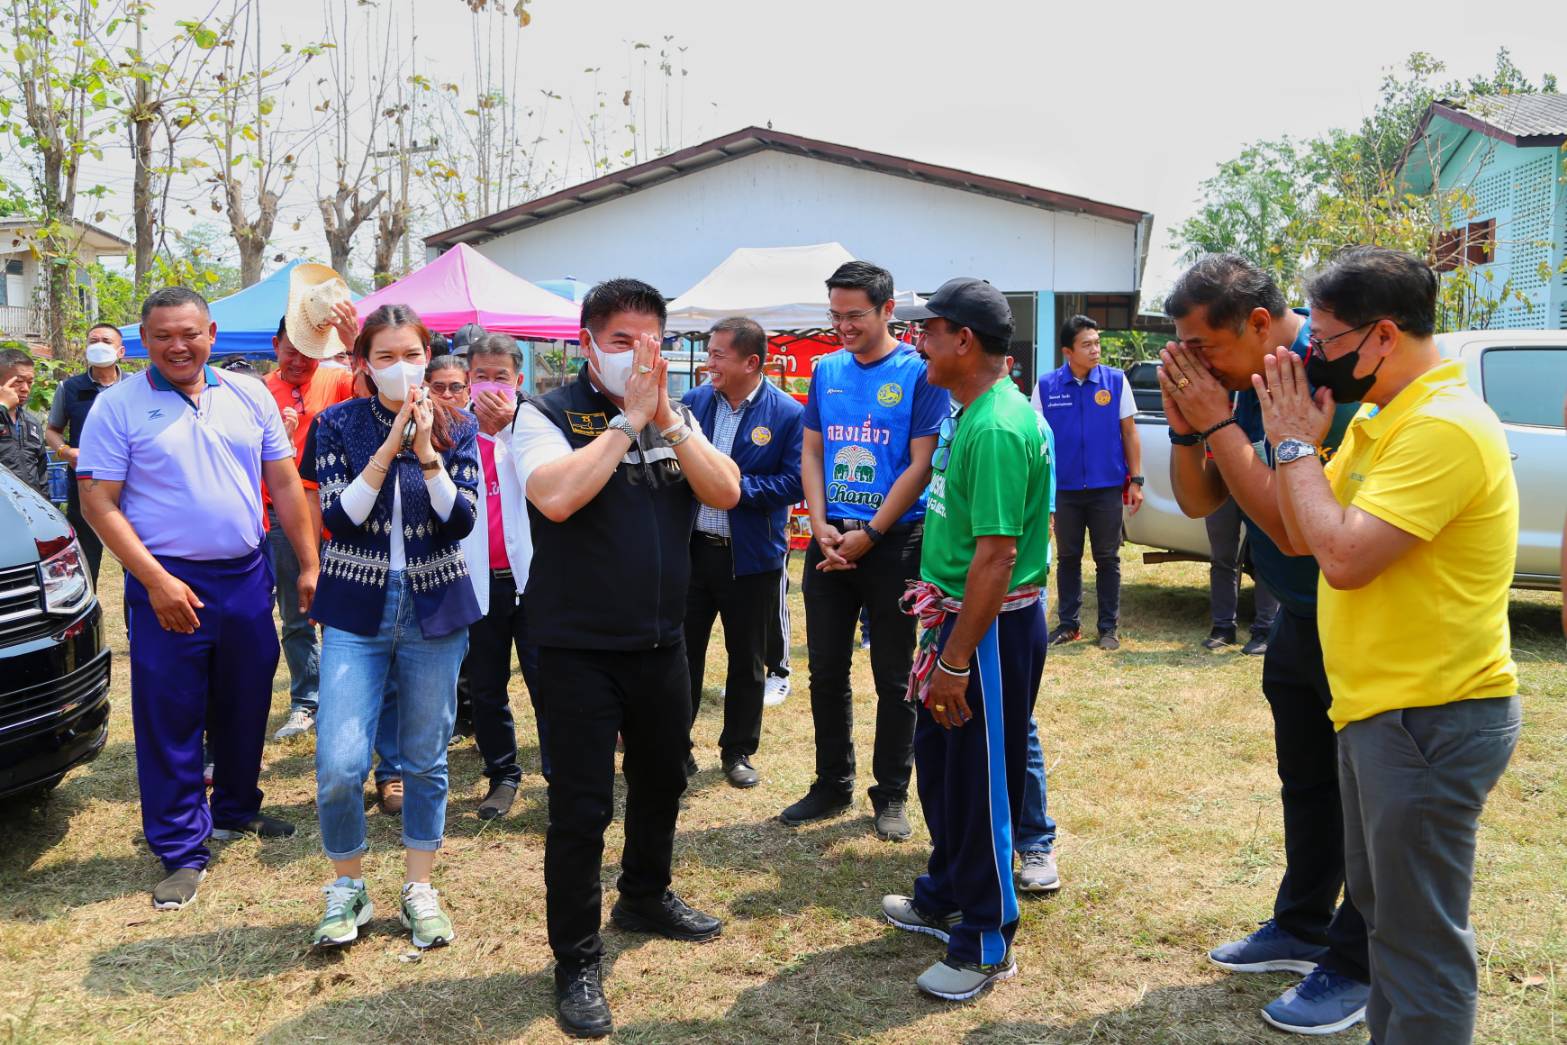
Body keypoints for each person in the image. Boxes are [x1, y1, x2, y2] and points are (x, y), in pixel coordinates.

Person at [1254, 246, 1520, 1045]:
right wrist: (1286, 441)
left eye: (1325, 338)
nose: (1312, 355)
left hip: (1431, 716)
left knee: (1419, 942)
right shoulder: (1380, 418)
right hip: (1380, 709)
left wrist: (1299, 445)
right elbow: (1302, 535)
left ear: (1380, 336)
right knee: (1385, 932)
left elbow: (1343, 557)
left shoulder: (1442, 428)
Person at [511, 278, 739, 1039]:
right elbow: (555, 498)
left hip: (660, 643)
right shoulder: (544, 413)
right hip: (575, 646)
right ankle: (575, 956)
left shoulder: (679, 418)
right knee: (581, 806)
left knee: (664, 777)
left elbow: (727, 490)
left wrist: (666, 419)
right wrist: (626, 420)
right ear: (585, 344)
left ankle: (644, 892)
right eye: (619, 342)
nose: (637, 357)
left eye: (650, 343)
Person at [1161, 254, 1369, 1035]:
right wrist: (1190, 428)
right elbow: (1196, 499)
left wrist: (1216, 419)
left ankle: (1356, 961)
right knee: (1307, 779)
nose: (1194, 363)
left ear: (1255, 322)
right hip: (1293, 611)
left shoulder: (1327, 378)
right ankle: (1303, 919)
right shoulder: (1235, 382)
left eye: (1203, 345)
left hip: (1355, 611)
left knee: (1365, 794)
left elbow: (1289, 523)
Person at [76, 287, 316, 910]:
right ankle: (182, 848)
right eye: (162, 336)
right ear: (143, 340)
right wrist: (155, 581)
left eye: (189, 333)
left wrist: (309, 563)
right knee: (170, 715)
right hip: (166, 580)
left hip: (244, 574)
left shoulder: (250, 393)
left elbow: (285, 483)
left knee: (246, 699)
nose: (177, 346)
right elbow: (97, 502)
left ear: (211, 331)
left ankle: (237, 806)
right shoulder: (117, 406)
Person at [880, 278, 1050, 1000]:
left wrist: (953, 658)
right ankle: (947, 889)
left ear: (964, 341)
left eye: (930, 329)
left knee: (980, 779)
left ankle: (985, 937)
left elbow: (997, 555)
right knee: (941, 764)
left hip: (985, 628)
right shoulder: (965, 409)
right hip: (952, 618)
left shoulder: (999, 425)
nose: (918, 341)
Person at [308, 303, 480, 951]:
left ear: (427, 357)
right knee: (339, 762)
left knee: (425, 757)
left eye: (411, 355)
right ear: (363, 364)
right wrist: (389, 446)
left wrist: (428, 450)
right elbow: (341, 518)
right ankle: (346, 884)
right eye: (385, 357)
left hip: (434, 605)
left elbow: (458, 520)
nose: (401, 368)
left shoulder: (456, 425)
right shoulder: (335, 425)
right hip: (356, 606)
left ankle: (418, 886)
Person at [781, 260, 947, 842]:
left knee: (895, 674)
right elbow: (811, 453)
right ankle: (831, 782)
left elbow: (922, 464)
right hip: (830, 541)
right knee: (825, 669)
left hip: (894, 543)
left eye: (855, 315)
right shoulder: (825, 371)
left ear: (887, 310)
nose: (843, 326)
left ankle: (892, 792)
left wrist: (872, 533)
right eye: (835, 314)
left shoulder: (920, 374)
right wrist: (821, 523)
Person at [681, 316, 804, 788]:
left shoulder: (787, 413)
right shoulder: (692, 404)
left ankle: (737, 751)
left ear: (751, 362)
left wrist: (733, 490)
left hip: (750, 558)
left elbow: (793, 481)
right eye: (709, 352)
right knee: (681, 655)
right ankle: (678, 745)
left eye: (718, 355)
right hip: (692, 553)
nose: (709, 363)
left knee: (747, 659)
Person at [457, 332, 545, 820]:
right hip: (479, 580)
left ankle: (558, 769)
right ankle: (503, 774)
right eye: (482, 377)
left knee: (545, 681)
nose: (491, 387)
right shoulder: (455, 432)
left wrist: (510, 429)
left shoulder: (537, 428)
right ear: (469, 380)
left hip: (532, 581)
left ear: (520, 379)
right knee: (487, 686)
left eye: (502, 378)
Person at [265, 308, 356, 741]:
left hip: (336, 508)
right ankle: (306, 700)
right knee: (297, 610)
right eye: (290, 351)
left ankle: (346, 694)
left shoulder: (337, 380)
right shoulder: (262, 391)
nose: (299, 361)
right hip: (282, 514)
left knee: (341, 609)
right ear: (275, 346)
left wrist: (352, 338)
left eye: (308, 353)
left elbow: (368, 395)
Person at [1034, 315, 1142, 650]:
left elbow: (1129, 432)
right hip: (1064, 490)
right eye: (1087, 344)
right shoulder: (1047, 386)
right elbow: (1036, 439)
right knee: (1067, 558)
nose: (1095, 349)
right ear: (1068, 351)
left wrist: (1136, 480)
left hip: (1106, 487)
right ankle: (1068, 625)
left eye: (1097, 343)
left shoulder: (1116, 381)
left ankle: (1108, 628)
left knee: (1107, 558)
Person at [45, 323, 124, 581]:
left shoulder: (136, 388)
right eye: (93, 340)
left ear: (120, 351)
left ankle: (134, 620)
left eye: (106, 340)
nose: (98, 345)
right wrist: (65, 451)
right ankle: (85, 617)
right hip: (85, 488)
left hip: (131, 487)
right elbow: (52, 431)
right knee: (86, 563)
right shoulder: (68, 388)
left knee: (136, 565)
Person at [1203, 497, 1279, 655]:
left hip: (1258, 481)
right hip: (1221, 486)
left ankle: (1265, 631)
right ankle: (1223, 627)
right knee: (1221, 558)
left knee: (1265, 559)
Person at [0, 347, 48, 498]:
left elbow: (41, 473)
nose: (25, 389)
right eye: (18, 382)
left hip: (29, 507)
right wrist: (2, 406)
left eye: (30, 382)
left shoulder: (31, 423)